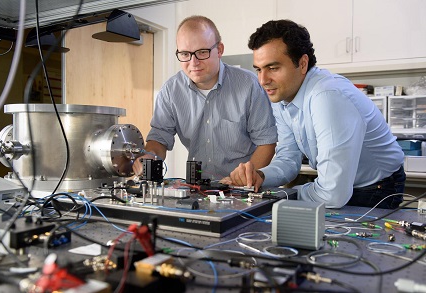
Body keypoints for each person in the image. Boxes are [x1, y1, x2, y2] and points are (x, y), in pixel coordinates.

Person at [227, 19, 406, 209]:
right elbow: (288, 158)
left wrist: (281, 195)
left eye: (273, 68)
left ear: (303, 64)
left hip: (377, 188)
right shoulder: (283, 97)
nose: (263, 80)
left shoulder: (327, 96)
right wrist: (261, 176)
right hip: (341, 188)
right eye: (259, 70)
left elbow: (332, 194)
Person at [133, 15, 277, 180]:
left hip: (242, 188)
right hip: (197, 188)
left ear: (220, 50)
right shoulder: (170, 91)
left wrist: (246, 177)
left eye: (202, 52)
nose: (194, 62)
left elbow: (266, 143)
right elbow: (159, 138)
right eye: (185, 54)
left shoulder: (249, 85)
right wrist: (150, 156)